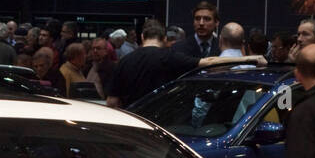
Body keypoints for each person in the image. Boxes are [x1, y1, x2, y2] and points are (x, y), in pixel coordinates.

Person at [105, 19, 265, 108]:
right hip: (159, 128)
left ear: (142, 37)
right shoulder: (171, 57)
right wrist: (248, 59)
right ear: (165, 39)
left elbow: (112, 102)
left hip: (131, 124)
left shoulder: (124, 62)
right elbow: (210, 62)